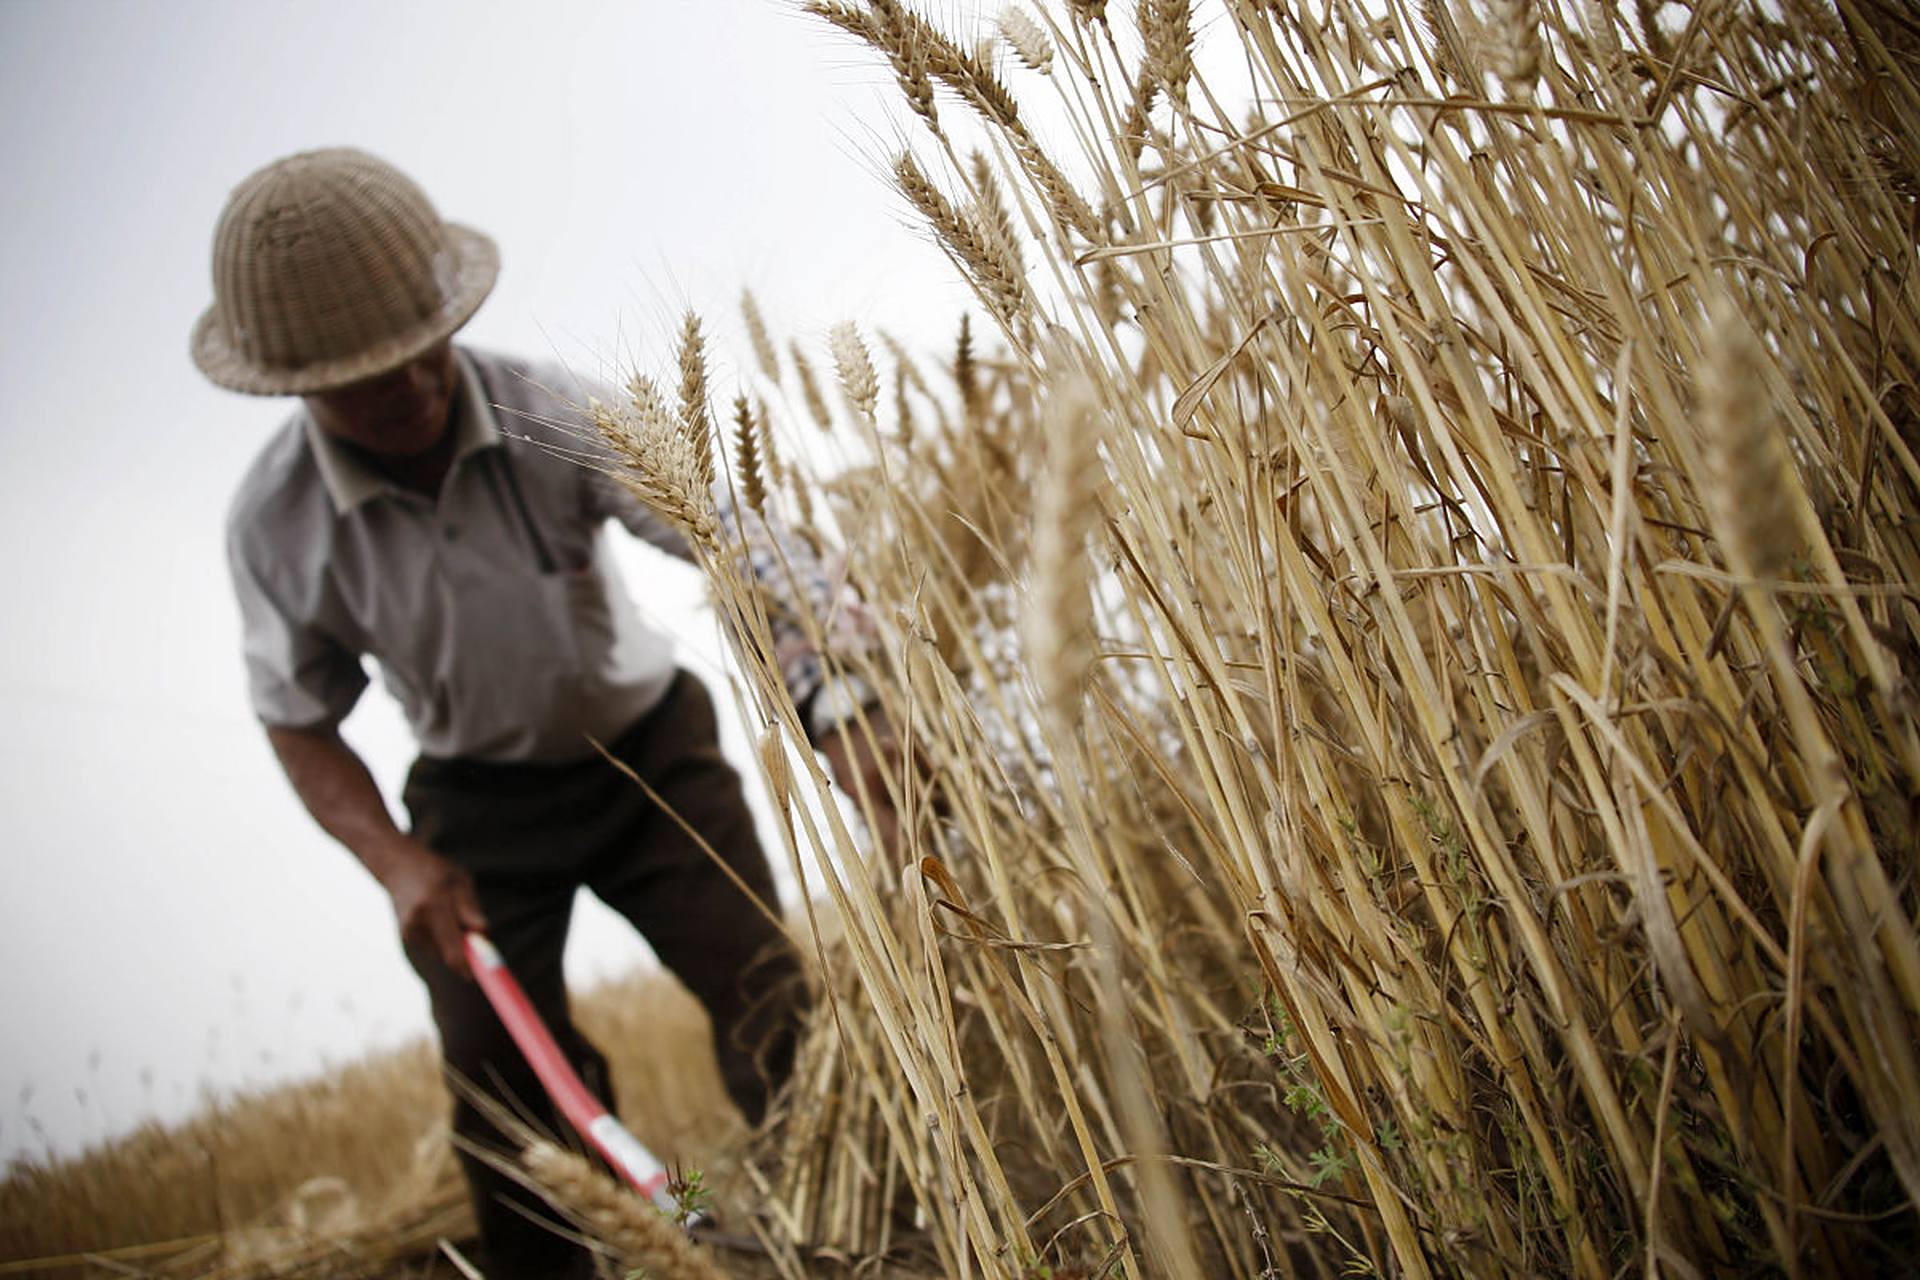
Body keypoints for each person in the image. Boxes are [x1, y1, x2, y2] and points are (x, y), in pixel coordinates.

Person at [194, 147, 888, 1276]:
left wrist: (835, 695)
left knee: (769, 1000)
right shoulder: (275, 527)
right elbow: (297, 720)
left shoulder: (548, 406)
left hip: (655, 755)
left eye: (423, 348)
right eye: (368, 379)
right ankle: (603, 1244)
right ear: (296, 386)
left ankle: (853, 1232)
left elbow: (728, 530)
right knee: (502, 1091)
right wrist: (396, 865)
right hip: (476, 806)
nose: (413, 386)